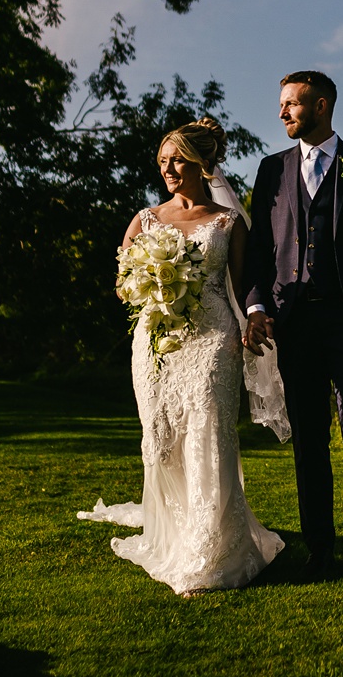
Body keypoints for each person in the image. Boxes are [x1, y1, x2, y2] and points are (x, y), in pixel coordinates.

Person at [77, 117, 286, 596]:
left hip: (213, 336)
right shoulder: (145, 218)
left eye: (177, 160)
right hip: (156, 340)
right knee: (163, 435)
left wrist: (254, 316)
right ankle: (173, 530)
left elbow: (242, 281)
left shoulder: (228, 222)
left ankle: (212, 546)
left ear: (202, 164)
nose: (168, 169)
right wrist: (148, 283)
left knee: (209, 432)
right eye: (163, 161)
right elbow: (121, 284)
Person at [242, 71, 343, 584]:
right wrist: (254, 307)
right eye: (282, 104)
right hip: (295, 322)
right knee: (309, 438)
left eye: (291, 104)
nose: (282, 113)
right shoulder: (271, 170)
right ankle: (320, 549)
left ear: (321, 105)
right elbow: (260, 254)